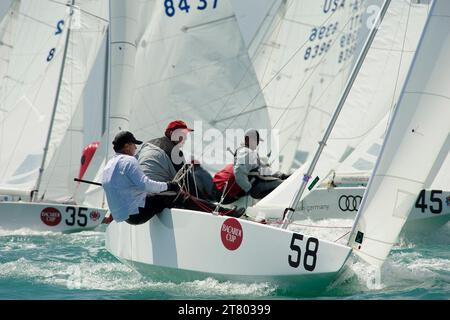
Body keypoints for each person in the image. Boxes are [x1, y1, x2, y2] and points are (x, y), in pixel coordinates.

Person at [136, 121, 245, 218]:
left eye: (185, 135)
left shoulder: (147, 144)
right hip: (154, 197)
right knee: (186, 197)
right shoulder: (174, 151)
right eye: (181, 135)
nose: (185, 138)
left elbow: (135, 162)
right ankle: (226, 213)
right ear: (170, 134)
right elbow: (185, 184)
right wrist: (202, 201)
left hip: (137, 197)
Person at [102, 131, 180, 225]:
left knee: (155, 195)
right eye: (134, 144)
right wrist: (169, 185)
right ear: (127, 146)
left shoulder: (109, 164)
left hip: (123, 217)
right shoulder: (129, 160)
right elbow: (145, 184)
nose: (135, 147)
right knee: (176, 195)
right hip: (137, 214)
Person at [213, 129, 289, 204]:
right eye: (256, 140)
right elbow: (238, 172)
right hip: (223, 192)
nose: (258, 143)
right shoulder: (246, 152)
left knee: (259, 179)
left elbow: (262, 169)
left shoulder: (245, 152)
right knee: (280, 185)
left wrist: (281, 175)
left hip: (219, 189)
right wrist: (249, 189)